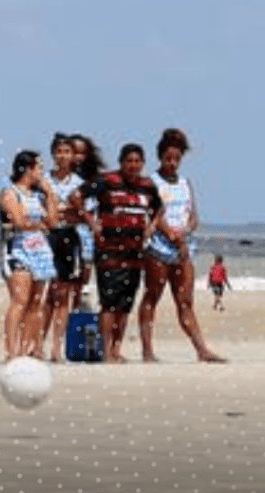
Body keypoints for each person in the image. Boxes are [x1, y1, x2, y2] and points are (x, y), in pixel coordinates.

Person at [138, 129, 225, 363]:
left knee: (185, 301)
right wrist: (171, 235)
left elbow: (194, 216)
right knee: (152, 296)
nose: (173, 163)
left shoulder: (186, 182)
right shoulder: (151, 182)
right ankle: (147, 350)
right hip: (159, 247)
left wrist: (186, 231)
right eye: (168, 158)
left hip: (183, 248)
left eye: (176, 159)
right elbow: (153, 213)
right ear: (160, 157)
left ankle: (201, 350)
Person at [71, 144, 162, 362]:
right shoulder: (107, 181)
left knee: (125, 304)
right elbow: (75, 196)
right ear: (121, 162)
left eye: (137, 161)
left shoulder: (147, 185)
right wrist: (92, 222)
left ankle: (116, 349)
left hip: (135, 251)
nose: (133, 165)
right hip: (109, 250)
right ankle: (105, 351)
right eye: (129, 161)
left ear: (143, 164)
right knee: (109, 302)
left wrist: (152, 226)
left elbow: (159, 208)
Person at [0, 151, 59, 359]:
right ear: (27, 169)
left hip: (40, 251)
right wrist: (37, 225)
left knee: (36, 302)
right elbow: (18, 222)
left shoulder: (38, 196)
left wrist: (50, 194)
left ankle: (26, 348)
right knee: (19, 300)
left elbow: (52, 222)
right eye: (39, 168)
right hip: (18, 250)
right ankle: (11, 349)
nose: (42, 172)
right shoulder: (10, 193)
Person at [38, 134, 84, 361]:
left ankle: (57, 347)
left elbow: (81, 214)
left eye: (67, 152)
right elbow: (39, 210)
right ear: (53, 154)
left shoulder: (78, 182)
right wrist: (59, 211)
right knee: (46, 292)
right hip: (47, 236)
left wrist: (65, 212)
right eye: (59, 151)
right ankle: (38, 344)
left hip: (68, 236)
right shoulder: (43, 179)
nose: (62, 156)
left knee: (63, 292)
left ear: (73, 156)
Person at [68, 135, 103, 312]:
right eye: (75, 152)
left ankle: (77, 307)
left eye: (82, 153)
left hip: (88, 230)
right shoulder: (60, 176)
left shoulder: (94, 178)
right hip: (67, 229)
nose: (78, 157)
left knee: (85, 271)